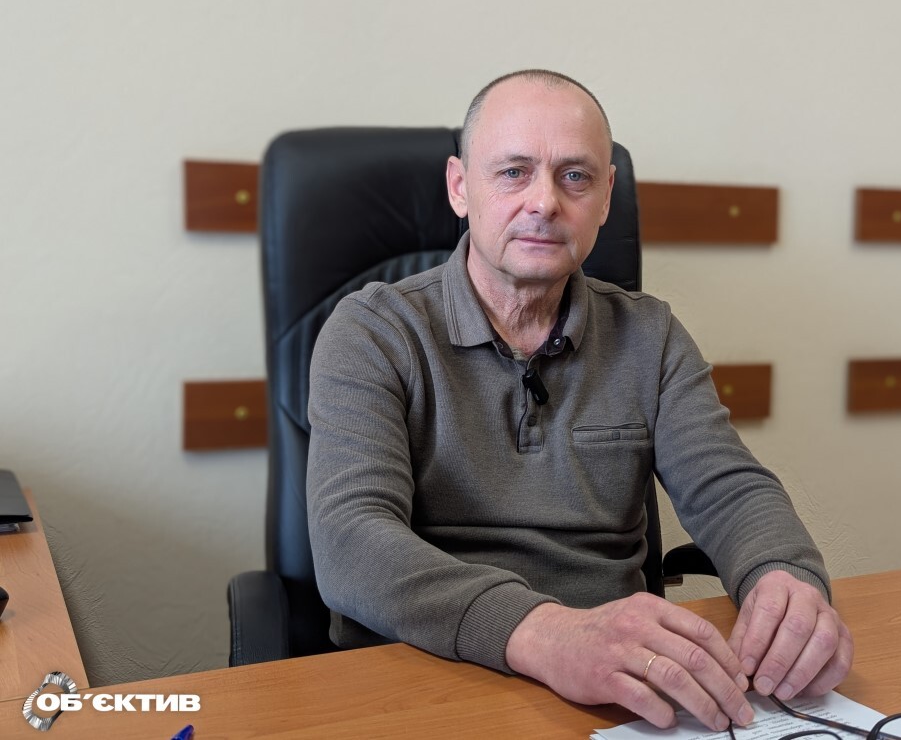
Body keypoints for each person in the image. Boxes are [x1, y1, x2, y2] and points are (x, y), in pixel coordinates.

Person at [307, 69, 852, 733]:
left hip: (613, 698)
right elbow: (351, 542)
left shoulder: (649, 336)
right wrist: (545, 633)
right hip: (418, 684)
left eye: (575, 176)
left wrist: (783, 577)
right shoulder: (372, 332)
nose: (544, 202)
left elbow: (730, 489)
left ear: (606, 198)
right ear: (459, 186)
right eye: (513, 172)